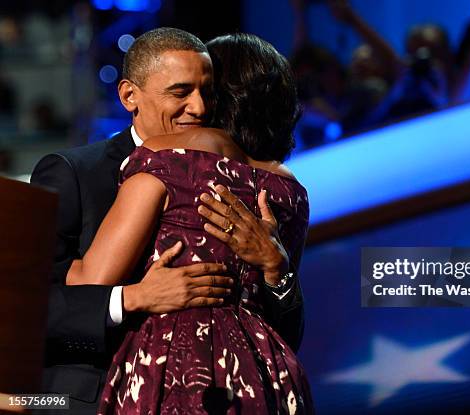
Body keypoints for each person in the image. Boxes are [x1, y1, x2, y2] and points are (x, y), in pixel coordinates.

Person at [30, 28, 300, 414]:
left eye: (208, 93)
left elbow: (284, 333)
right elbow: (24, 304)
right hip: (86, 400)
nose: (200, 108)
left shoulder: (249, 187)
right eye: (180, 92)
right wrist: (131, 299)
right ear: (129, 96)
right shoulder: (75, 173)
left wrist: (277, 268)